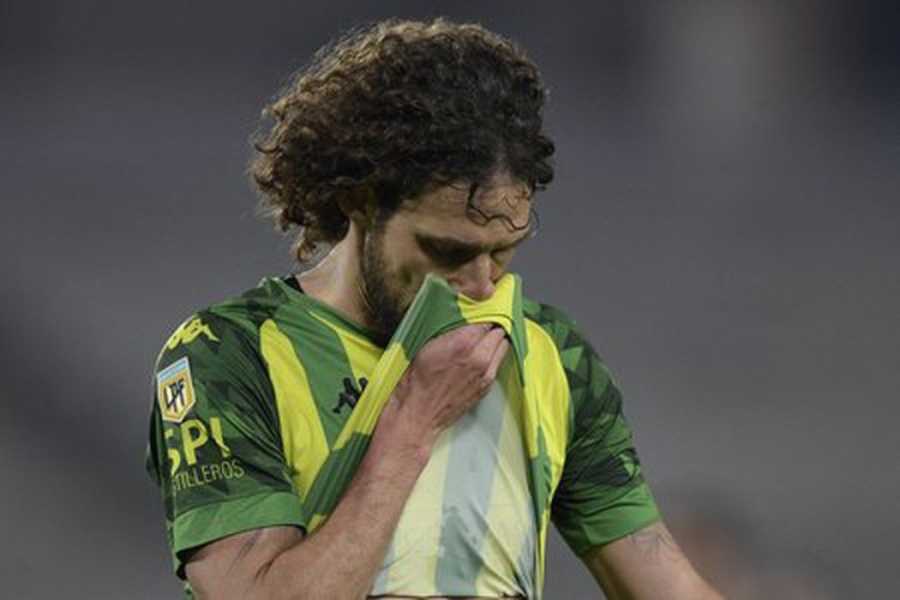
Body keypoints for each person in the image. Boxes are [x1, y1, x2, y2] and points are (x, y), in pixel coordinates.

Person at [146, 18, 721, 600]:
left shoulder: (551, 355)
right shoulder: (228, 354)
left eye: (503, 252)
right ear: (359, 199)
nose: (478, 284)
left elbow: (663, 581)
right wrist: (413, 422)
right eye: (447, 251)